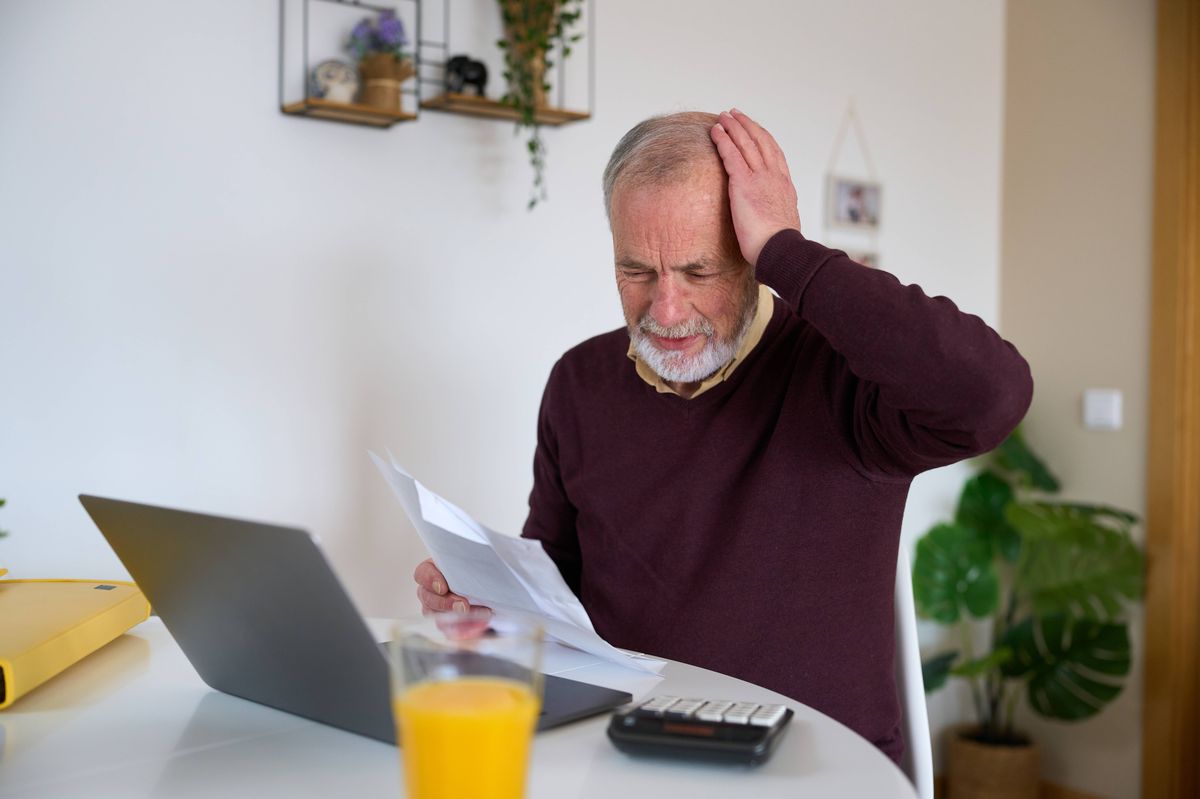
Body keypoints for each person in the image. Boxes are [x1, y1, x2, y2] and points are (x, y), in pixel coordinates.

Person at [413, 109, 1032, 763]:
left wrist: (792, 253)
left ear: (753, 256)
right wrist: (491, 601)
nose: (666, 310)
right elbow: (557, 585)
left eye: (699, 271)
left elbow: (992, 396)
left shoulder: (844, 376)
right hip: (628, 754)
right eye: (637, 272)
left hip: (816, 767)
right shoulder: (579, 382)